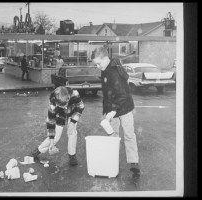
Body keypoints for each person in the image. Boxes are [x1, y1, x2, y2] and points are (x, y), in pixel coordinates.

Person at [93, 47, 140, 175]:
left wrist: (112, 110)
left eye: (98, 63)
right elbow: (108, 92)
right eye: (95, 64)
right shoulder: (105, 68)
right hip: (112, 108)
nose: (97, 66)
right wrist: (108, 109)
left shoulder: (113, 72)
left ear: (105, 58)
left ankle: (134, 162)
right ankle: (113, 161)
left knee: (129, 134)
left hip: (124, 107)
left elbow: (122, 94)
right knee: (113, 136)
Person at [29, 86, 85, 166]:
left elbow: (81, 106)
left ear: (68, 97)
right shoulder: (52, 104)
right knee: (55, 137)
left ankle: (72, 155)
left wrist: (73, 122)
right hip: (60, 114)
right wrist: (52, 141)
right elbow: (50, 123)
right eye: (63, 106)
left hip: (73, 112)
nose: (65, 107)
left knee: (72, 132)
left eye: (65, 104)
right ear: (56, 103)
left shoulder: (74, 94)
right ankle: (39, 150)